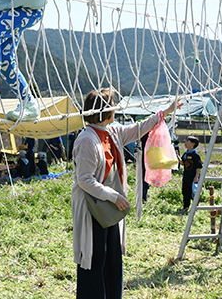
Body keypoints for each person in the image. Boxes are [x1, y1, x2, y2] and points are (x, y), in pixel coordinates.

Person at [72, 88, 179, 299]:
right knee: (94, 258)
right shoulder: (87, 140)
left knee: (112, 257)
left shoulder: (112, 132)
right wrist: (113, 196)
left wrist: (165, 112)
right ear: (105, 112)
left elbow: (139, 128)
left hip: (110, 207)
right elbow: (85, 180)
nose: (116, 109)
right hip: (93, 208)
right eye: (113, 105)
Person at [178, 136, 202, 214]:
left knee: (193, 192)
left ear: (193, 144)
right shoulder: (186, 153)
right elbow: (182, 163)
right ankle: (185, 207)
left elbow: (198, 167)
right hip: (186, 175)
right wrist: (177, 155)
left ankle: (195, 207)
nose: (186, 143)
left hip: (192, 176)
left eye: (188, 141)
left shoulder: (195, 154)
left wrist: (196, 177)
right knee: (185, 191)